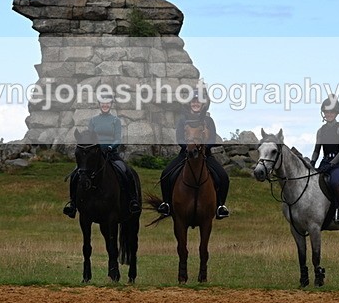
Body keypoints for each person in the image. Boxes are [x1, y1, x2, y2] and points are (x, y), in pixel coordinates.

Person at [63, 93, 141, 218]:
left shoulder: (115, 121)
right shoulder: (93, 121)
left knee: (126, 171)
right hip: (95, 155)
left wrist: (110, 147)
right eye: (103, 103)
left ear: (111, 105)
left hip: (111, 154)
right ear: (99, 105)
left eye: (108, 103)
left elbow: (117, 139)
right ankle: (73, 204)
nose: (105, 105)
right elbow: (89, 137)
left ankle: (132, 201)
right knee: (75, 174)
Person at [157, 90, 231, 219]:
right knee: (166, 174)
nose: (196, 103)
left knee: (223, 176)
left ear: (203, 104)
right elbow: (180, 138)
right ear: (190, 103)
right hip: (186, 154)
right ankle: (167, 204)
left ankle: (220, 206)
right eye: (193, 101)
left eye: (198, 101)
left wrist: (202, 149)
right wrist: (189, 148)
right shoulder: (183, 120)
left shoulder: (208, 120)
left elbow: (212, 139)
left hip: (205, 155)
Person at [311, 95, 339, 223]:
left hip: (338, 164)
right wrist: (312, 162)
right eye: (326, 111)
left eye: (331, 111)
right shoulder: (320, 131)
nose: (329, 114)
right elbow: (317, 150)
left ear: (336, 113)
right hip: (324, 162)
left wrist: (332, 164)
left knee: (334, 182)